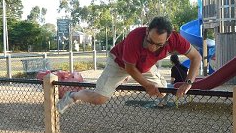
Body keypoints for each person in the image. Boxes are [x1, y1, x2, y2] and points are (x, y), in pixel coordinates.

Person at [57, 16, 202, 114]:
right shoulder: (135, 37)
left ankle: (126, 79)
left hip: (145, 65)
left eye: (158, 45)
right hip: (120, 63)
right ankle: (73, 95)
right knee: (100, 98)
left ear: (169, 38)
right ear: (146, 32)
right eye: (150, 41)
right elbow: (129, 68)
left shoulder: (176, 40)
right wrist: (146, 85)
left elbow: (196, 57)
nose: (152, 47)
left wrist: (188, 83)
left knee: (162, 92)